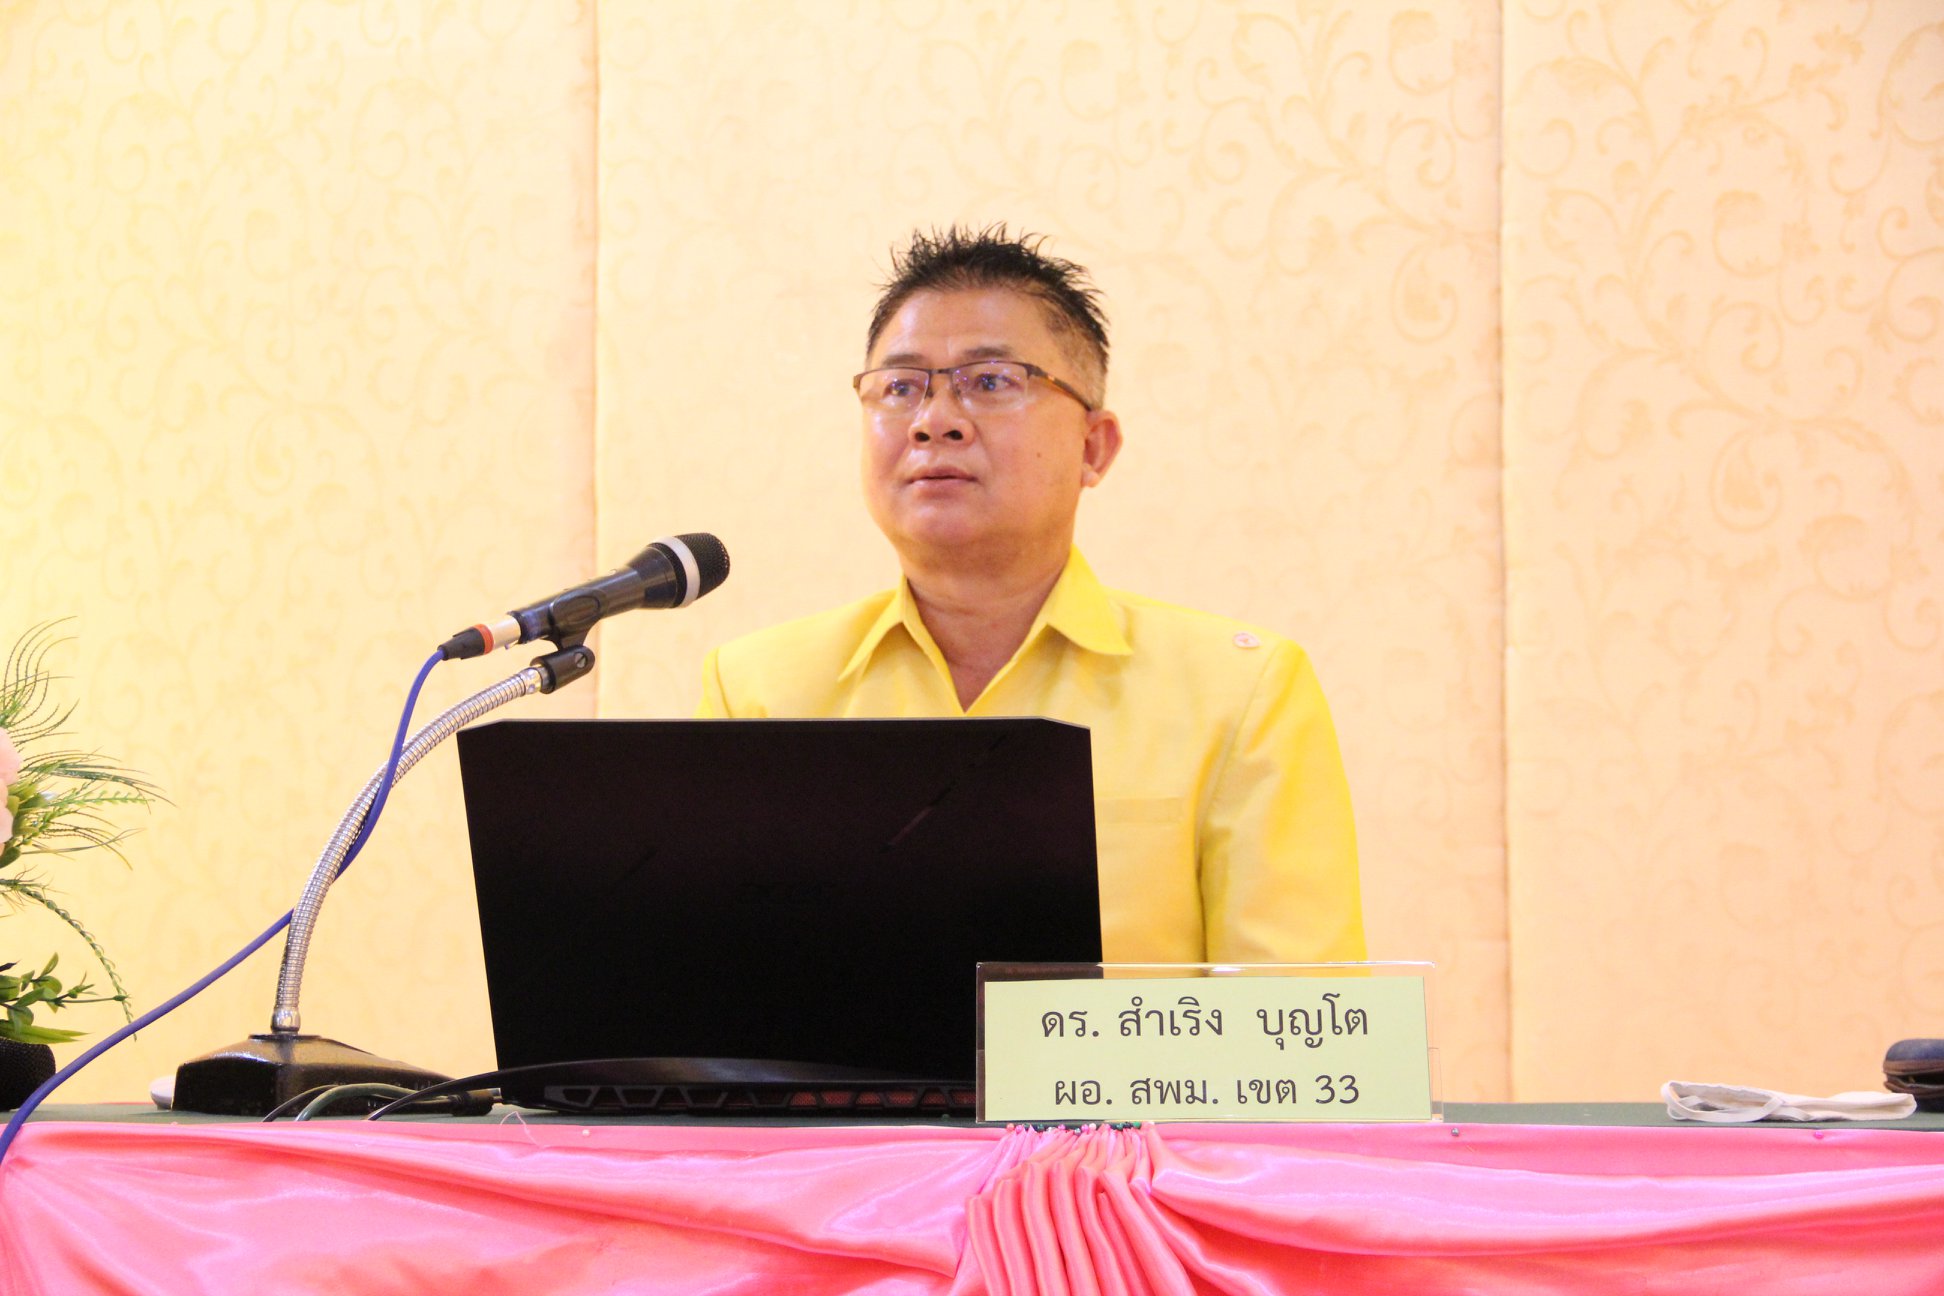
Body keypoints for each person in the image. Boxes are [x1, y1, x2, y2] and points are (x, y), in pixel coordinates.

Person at [699, 225, 1364, 964]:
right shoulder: (759, 691)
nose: (934, 421)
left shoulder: (1239, 691)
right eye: (900, 387)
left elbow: (1294, 1014)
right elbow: (715, 988)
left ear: (1093, 448)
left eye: (991, 381)